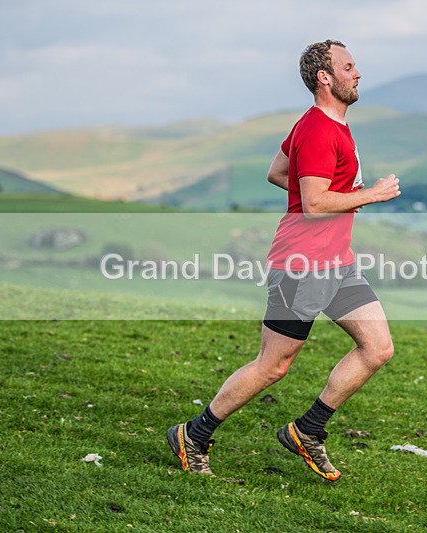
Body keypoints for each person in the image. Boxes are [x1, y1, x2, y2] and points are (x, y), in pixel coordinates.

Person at [167, 39, 401, 481]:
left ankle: (307, 431)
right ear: (324, 78)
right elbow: (312, 203)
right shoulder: (317, 129)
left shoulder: (325, 126)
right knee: (273, 365)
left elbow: (278, 173)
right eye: (348, 67)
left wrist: (331, 197)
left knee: (377, 348)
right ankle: (193, 435)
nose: (357, 73)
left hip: (337, 263)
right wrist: (369, 195)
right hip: (302, 264)